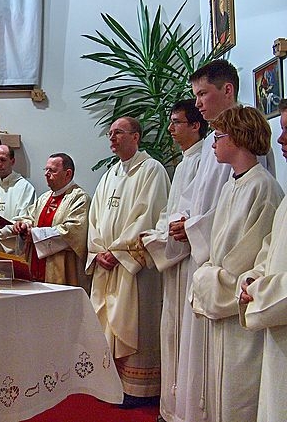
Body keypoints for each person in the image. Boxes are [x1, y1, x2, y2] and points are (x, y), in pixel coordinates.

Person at [168, 59, 274, 422]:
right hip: (208, 268)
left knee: (234, 384)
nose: (197, 103)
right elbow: (206, 201)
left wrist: (201, 242)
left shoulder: (244, 138)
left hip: (228, 282)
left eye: (203, 94)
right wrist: (187, 224)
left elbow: (251, 225)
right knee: (209, 372)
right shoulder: (216, 146)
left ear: (227, 90)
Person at [189, 106, 283, 422]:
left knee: (240, 396)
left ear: (239, 137)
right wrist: (209, 273)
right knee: (221, 394)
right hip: (224, 304)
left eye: (218, 136)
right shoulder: (232, 185)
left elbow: (251, 255)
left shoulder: (263, 187)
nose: (213, 143)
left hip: (241, 309)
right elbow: (218, 244)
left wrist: (209, 279)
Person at [87, 116, 170, 407]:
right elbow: (94, 218)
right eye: (110, 133)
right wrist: (99, 250)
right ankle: (112, 385)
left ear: (136, 137)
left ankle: (138, 390)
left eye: (119, 132)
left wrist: (120, 252)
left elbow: (149, 216)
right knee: (106, 322)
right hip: (108, 264)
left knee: (135, 323)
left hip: (133, 269)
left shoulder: (152, 170)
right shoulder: (109, 174)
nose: (112, 137)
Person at [140, 100, 207, 422]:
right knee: (171, 334)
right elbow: (171, 213)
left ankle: (181, 409)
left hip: (190, 261)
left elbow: (196, 214)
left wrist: (165, 237)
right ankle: (170, 408)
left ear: (196, 125)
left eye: (177, 122)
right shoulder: (183, 164)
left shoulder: (206, 160)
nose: (170, 129)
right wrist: (157, 234)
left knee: (184, 337)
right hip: (175, 259)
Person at [238, 99, 287, 422]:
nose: (280, 139)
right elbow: (271, 247)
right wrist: (253, 278)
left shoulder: (264, 186)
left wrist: (260, 292)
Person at [12, 153, 90, 286]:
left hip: (62, 270)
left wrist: (34, 234)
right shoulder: (44, 197)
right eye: (46, 169)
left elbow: (72, 231)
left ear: (68, 174)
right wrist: (23, 226)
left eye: (52, 170)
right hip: (35, 264)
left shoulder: (80, 198)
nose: (46, 174)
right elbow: (30, 217)